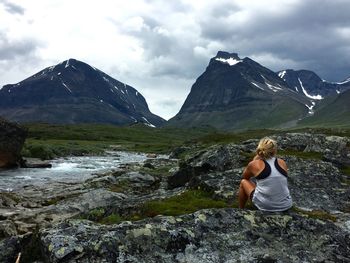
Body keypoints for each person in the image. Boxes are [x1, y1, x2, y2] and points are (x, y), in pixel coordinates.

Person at [238, 137, 292, 211]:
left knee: (243, 182)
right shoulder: (282, 162)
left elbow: (245, 177)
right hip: (286, 205)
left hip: (266, 206)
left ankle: (241, 210)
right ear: (274, 150)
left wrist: (255, 159)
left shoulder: (254, 164)